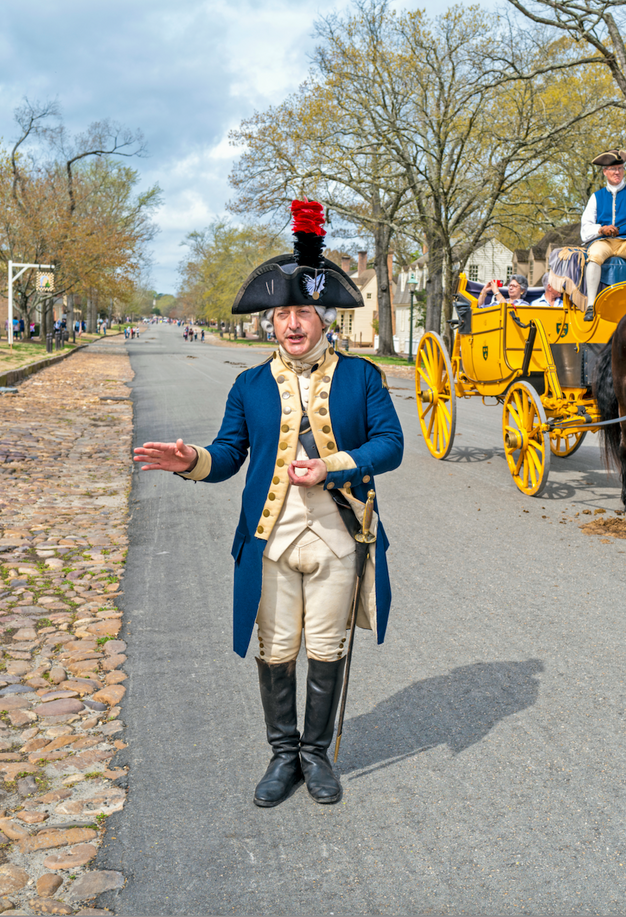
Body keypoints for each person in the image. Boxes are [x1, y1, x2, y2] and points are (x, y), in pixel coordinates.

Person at [132, 200, 403, 808]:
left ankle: (316, 754)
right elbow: (229, 454)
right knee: (277, 649)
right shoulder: (248, 385)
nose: (292, 324)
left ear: (323, 318)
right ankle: (283, 755)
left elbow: (390, 445)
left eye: (303, 312)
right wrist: (193, 460)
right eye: (282, 314)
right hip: (272, 540)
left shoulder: (364, 379)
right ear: (270, 323)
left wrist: (333, 464)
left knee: (327, 647)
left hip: (339, 536)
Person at [580, 149, 626, 320]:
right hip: (604, 242)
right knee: (594, 255)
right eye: (613, 169)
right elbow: (585, 228)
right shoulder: (596, 197)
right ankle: (591, 305)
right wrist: (601, 229)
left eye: (620, 168)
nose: (617, 172)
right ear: (605, 172)